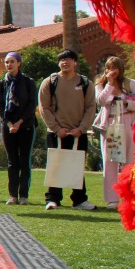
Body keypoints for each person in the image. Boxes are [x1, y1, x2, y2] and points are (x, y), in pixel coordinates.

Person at [39, 49, 97, 211]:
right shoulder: (50, 82)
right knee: (56, 165)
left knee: (77, 166)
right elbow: (44, 107)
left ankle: (79, 200)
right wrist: (56, 128)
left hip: (78, 133)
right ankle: (53, 199)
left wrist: (82, 128)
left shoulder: (85, 83)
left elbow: (91, 107)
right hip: (56, 133)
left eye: (69, 59)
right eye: (62, 60)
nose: (65, 62)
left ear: (75, 62)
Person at [93, 55, 135, 209]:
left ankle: (129, 196)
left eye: (114, 68)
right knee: (110, 161)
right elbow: (100, 101)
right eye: (108, 68)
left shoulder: (131, 84)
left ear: (120, 69)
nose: (111, 71)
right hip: (110, 125)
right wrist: (110, 84)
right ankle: (112, 199)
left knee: (129, 162)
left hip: (128, 122)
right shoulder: (101, 85)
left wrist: (127, 103)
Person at [0, 52, 37, 205]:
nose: (9, 65)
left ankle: (23, 195)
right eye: (6, 62)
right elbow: (0, 106)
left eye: (12, 62)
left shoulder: (28, 82)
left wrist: (19, 123)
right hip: (8, 127)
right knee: (12, 161)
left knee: (24, 160)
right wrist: (9, 124)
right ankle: (13, 195)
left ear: (19, 63)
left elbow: (32, 105)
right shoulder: (1, 84)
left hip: (25, 126)